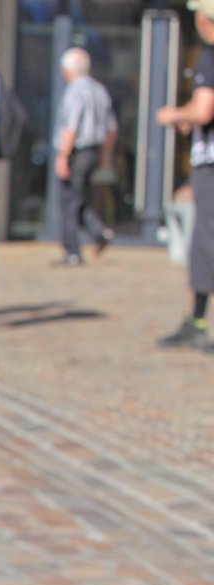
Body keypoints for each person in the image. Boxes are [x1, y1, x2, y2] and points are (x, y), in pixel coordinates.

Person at [156, 0, 214, 352]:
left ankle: (197, 323)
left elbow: (204, 109)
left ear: (204, 18)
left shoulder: (210, 55)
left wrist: (173, 115)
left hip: (211, 166)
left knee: (205, 244)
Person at [52, 47, 118, 267]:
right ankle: (99, 231)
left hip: (77, 151)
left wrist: (63, 156)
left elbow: (71, 127)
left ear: (67, 70)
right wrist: (104, 156)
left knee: (69, 201)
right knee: (79, 197)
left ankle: (72, 251)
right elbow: (112, 129)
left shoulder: (75, 91)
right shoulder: (99, 90)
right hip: (94, 150)